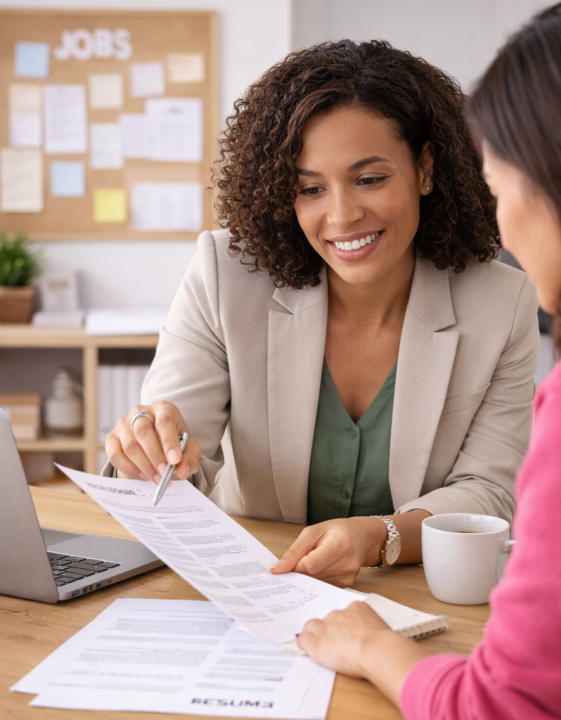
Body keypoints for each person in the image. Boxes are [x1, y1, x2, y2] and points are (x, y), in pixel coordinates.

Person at [295, 0, 561, 717]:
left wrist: (373, 646)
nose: (504, 227)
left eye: (500, 190)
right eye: (310, 187)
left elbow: (512, 708)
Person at [105, 40, 539, 587]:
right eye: (310, 188)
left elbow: (489, 490)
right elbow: (179, 455)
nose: (341, 215)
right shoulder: (224, 275)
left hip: (409, 597)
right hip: (252, 584)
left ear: (424, 169)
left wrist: (378, 536)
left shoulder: (502, 304)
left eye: (369, 179)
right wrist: (150, 451)